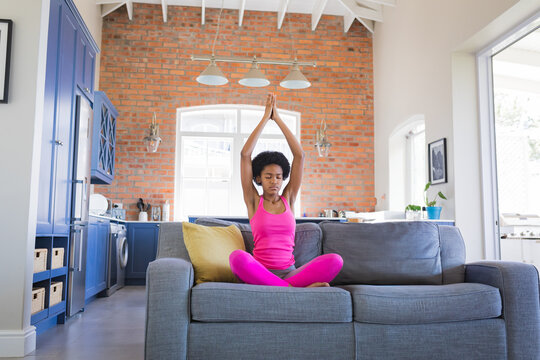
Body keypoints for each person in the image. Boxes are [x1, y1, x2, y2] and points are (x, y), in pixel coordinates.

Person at [229, 93, 343, 288]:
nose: (275, 181)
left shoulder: (288, 198)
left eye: (279, 177)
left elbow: (299, 156)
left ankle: (283, 286)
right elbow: (245, 155)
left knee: (335, 260)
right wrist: (265, 118)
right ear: (258, 179)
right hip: (260, 272)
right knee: (237, 258)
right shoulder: (253, 201)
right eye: (268, 176)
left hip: (291, 272)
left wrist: (278, 119)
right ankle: (291, 289)